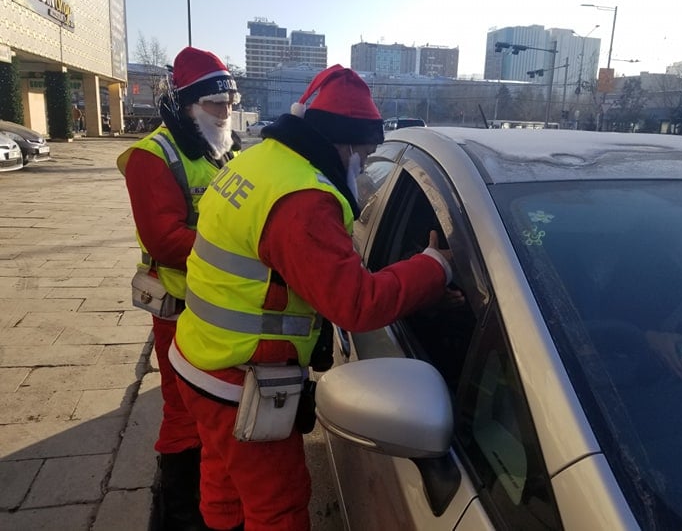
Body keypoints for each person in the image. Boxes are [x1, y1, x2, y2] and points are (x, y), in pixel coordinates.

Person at [170, 64, 461, 530]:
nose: (365, 164)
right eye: (364, 153)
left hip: (199, 359)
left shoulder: (258, 162)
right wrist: (435, 266)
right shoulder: (305, 199)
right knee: (277, 507)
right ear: (342, 144)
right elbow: (356, 304)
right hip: (238, 381)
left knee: (224, 484)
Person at [116, 46, 242, 531]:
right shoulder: (153, 157)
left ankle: (211, 498)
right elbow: (165, 241)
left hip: (222, 305)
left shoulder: (225, 148)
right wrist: (246, 251)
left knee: (215, 408)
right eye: (214, 104)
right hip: (179, 308)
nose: (224, 112)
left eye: (229, 103)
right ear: (187, 104)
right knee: (183, 410)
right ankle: (180, 513)